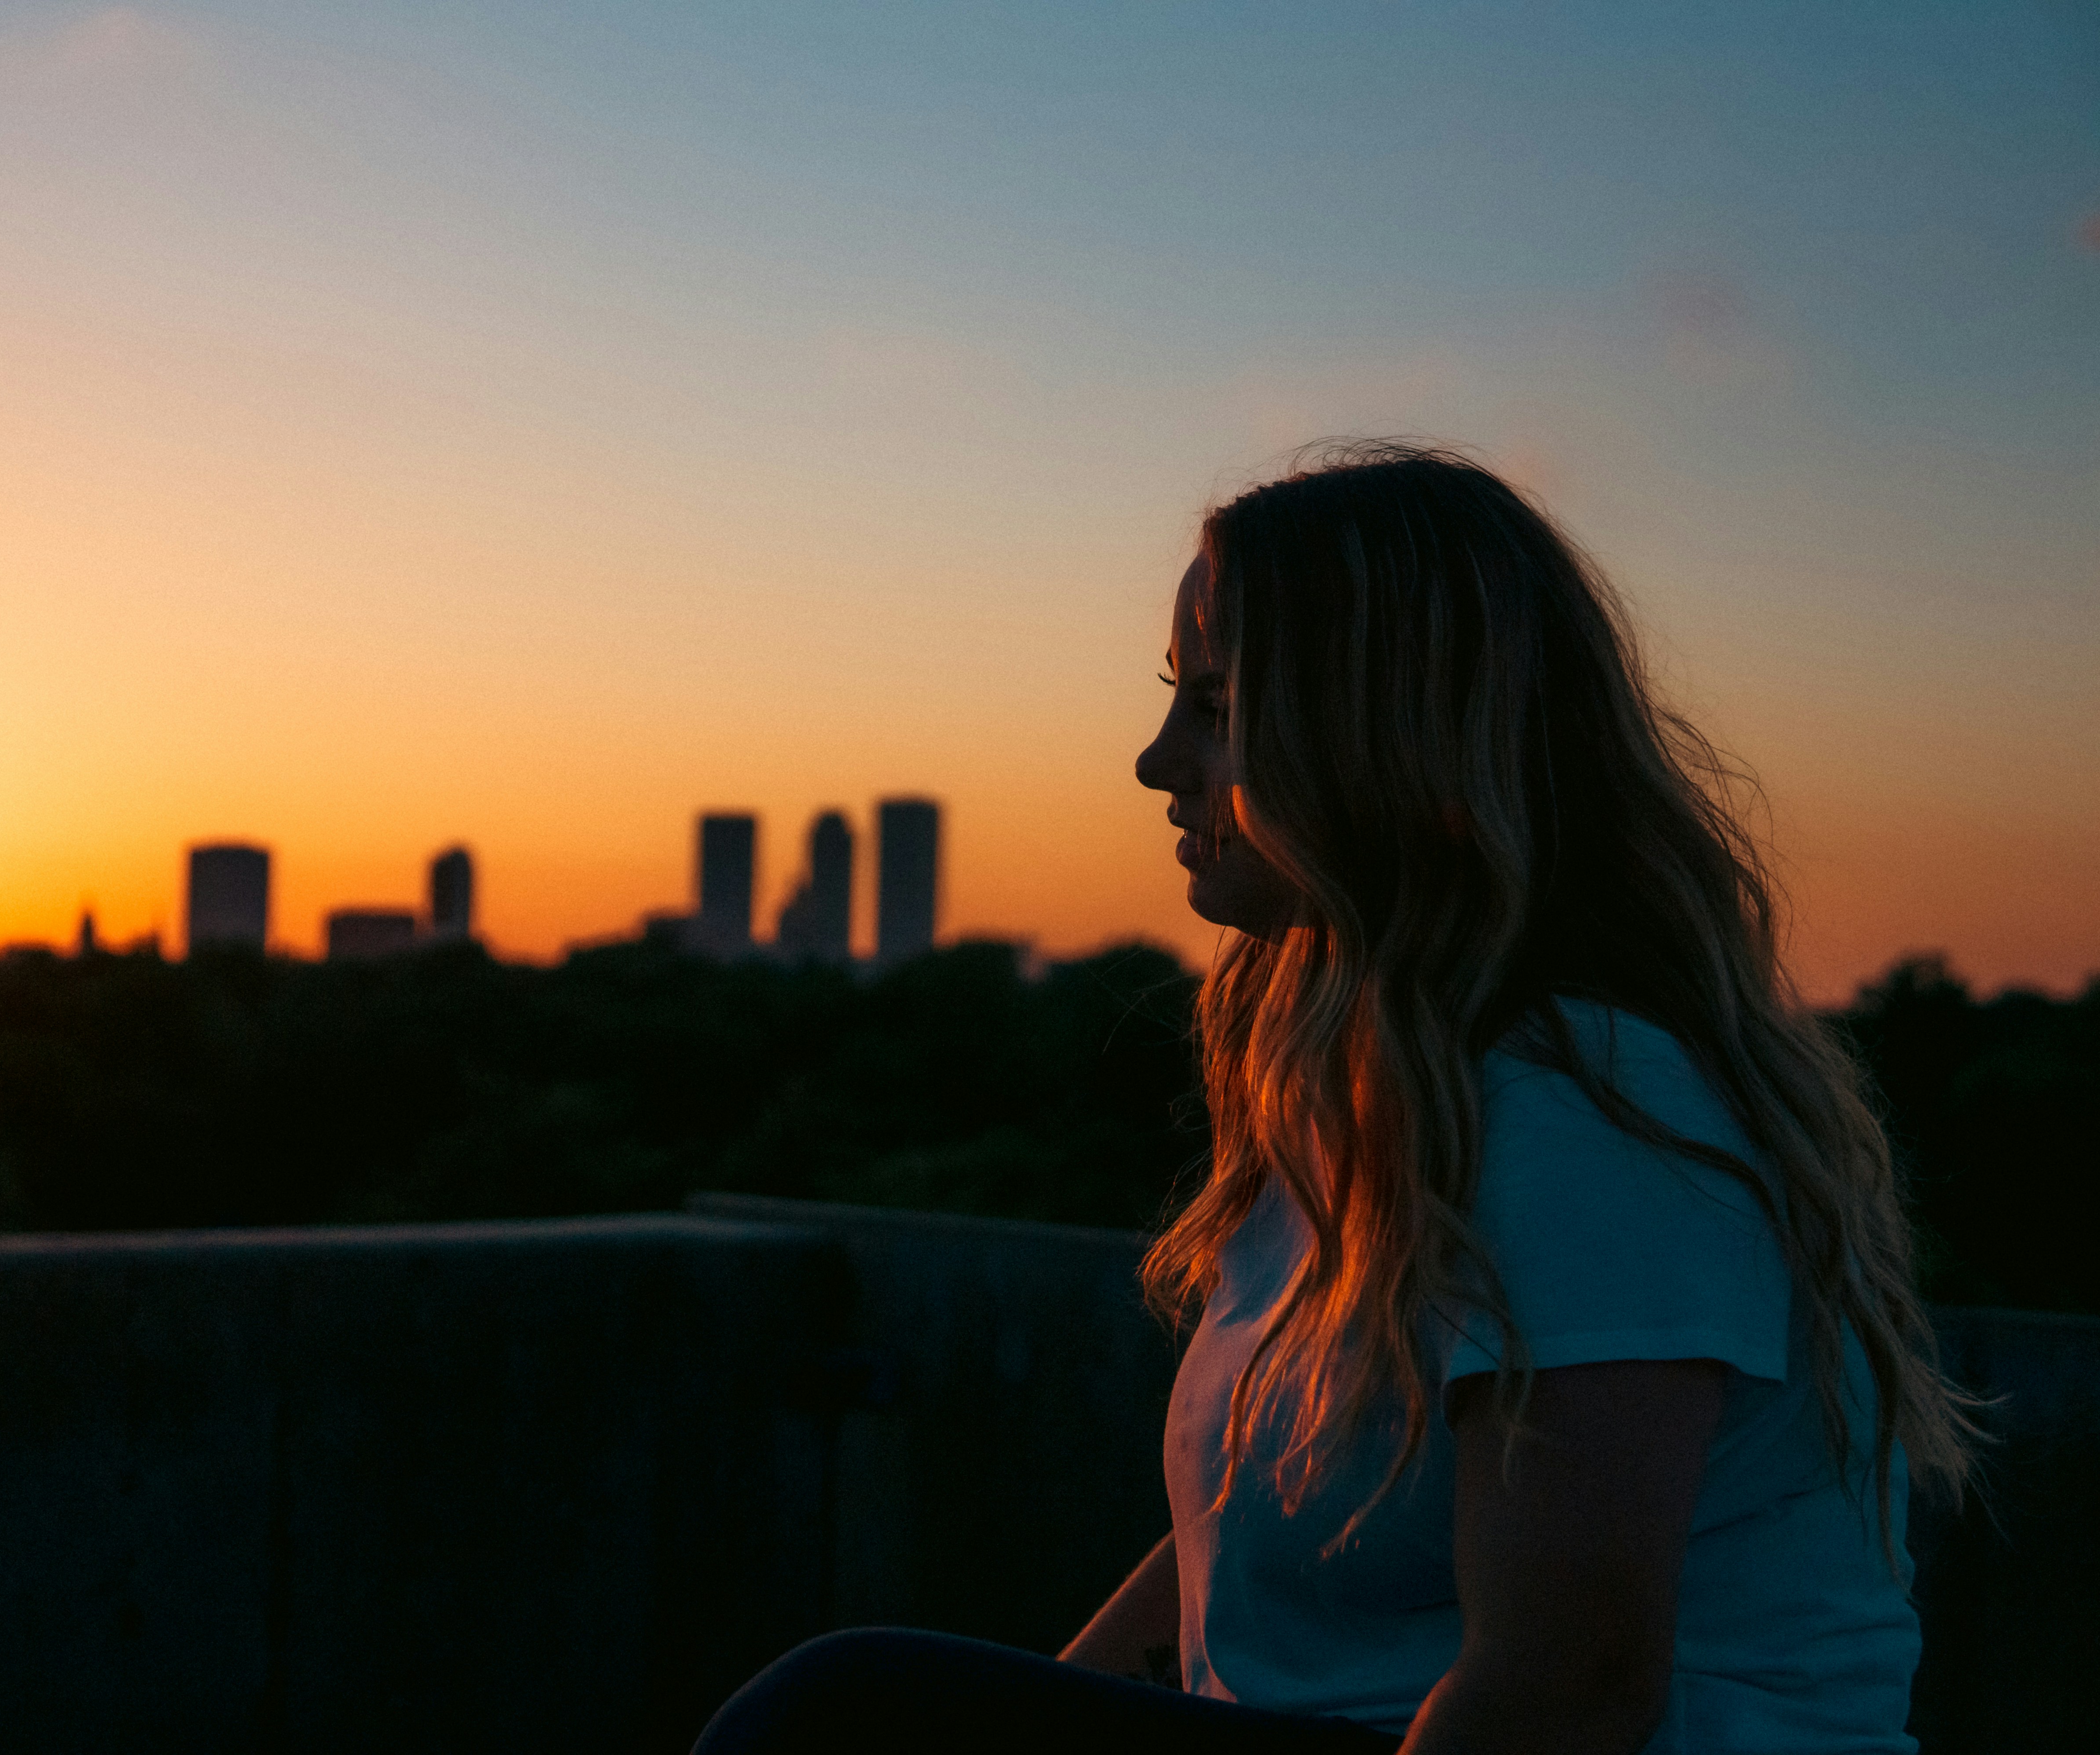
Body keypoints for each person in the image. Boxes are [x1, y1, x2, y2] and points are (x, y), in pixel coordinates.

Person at [693, 443, 1973, 1755]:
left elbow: (1571, 1685)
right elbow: (1257, 1562)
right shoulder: (1371, 1103)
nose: (1156, 762)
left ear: (1390, 737)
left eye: (1219, 706)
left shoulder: (1591, 1115)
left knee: (836, 1715)